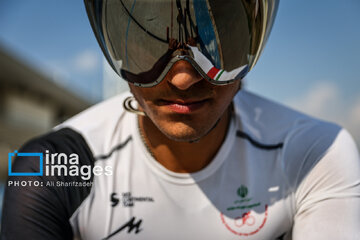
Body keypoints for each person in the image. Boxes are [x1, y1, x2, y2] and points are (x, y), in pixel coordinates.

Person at [1, 0, 359, 239]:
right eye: (147, 40)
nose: (183, 79)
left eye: (218, 45)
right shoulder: (46, 168)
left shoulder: (317, 154)